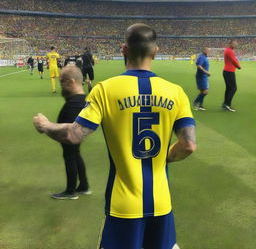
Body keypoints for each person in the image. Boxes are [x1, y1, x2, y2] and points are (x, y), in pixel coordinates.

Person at [33, 23, 196, 249]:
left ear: (123, 49)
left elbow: (73, 135)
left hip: (123, 205)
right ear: (155, 51)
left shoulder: (105, 90)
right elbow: (188, 145)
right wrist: (164, 157)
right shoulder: (176, 92)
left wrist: (45, 125)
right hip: (161, 201)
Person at [51, 65, 91, 200]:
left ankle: (70, 191)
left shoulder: (74, 103)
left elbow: (68, 133)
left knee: (70, 154)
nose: (61, 84)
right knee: (75, 153)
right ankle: (84, 186)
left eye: (63, 81)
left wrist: (46, 126)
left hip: (70, 131)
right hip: (77, 105)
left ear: (72, 82)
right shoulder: (81, 100)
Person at [222, 40, 241, 112]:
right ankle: (227, 104)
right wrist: (238, 66)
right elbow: (234, 60)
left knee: (229, 88)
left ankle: (226, 104)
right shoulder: (229, 51)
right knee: (233, 88)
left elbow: (233, 59)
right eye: (234, 44)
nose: (236, 45)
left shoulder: (227, 50)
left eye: (236, 44)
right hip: (229, 72)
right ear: (230, 44)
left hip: (227, 71)